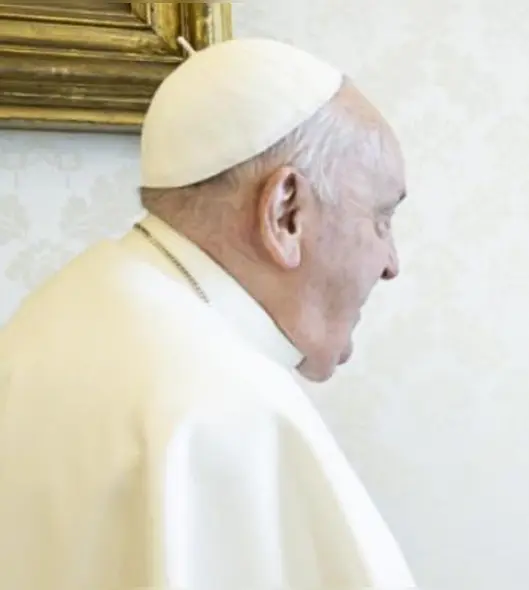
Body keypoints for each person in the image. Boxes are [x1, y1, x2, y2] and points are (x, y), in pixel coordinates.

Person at [0, 38, 414, 589]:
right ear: (285, 212)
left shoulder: (56, 313)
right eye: (381, 220)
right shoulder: (227, 408)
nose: (391, 264)